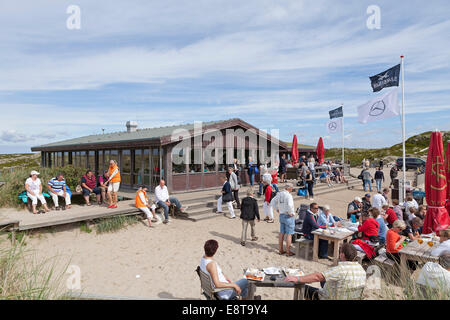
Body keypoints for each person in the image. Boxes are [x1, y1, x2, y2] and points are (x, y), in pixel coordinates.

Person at [284, 243, 366, 300]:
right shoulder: (361, 269)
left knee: (302, 287)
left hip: (333, 297)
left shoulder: (340, 269)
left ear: (342, 255)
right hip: (350, 296)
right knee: (324, 281)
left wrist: (297, 278)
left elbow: (317, 277)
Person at [271, 183, 296, 256]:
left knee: (282, 232)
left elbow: (273, 201)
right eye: (291, 188)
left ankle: (281, 250)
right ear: (289, 188)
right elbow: (290, 205)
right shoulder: (288, 195)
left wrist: (277, 209)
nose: (292, 189)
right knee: (289, 234)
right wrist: (290, 212)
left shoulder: (279, 194)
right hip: (287, 215)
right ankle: (288, 251)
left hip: (281, 215)